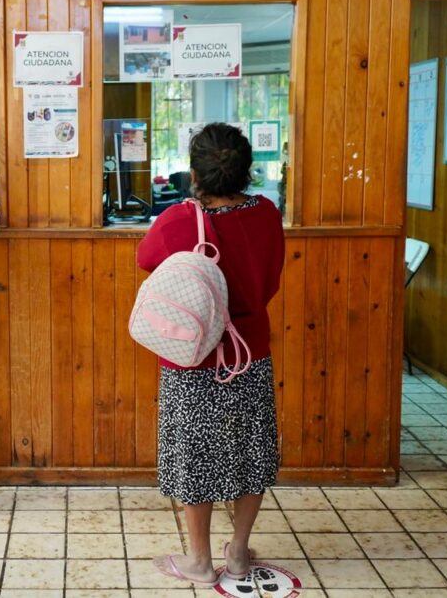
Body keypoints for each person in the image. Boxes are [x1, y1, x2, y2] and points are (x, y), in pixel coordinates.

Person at [136, 123, 285, 587]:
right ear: (246, 170)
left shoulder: (178, 221)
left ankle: (199, 560)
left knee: (194, 455)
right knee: (252, 452)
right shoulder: (266, 213)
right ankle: (238, 553)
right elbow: (271, 277)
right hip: (250, 352)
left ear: (195, 174)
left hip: (193, 357)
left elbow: (146, 259)